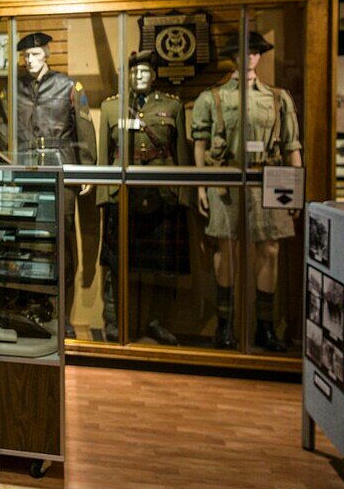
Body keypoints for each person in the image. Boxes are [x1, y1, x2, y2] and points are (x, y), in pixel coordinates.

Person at [192, 31, 301, 352]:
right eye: (243, 51)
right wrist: (202, 185)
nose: (250, 56)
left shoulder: (279, 98)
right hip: (225, 183)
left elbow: (293, 146)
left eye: (255, 51)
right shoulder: (212, 98)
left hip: (269, 181)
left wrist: (295, 189)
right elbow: (199, 146)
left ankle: (264, 329)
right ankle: (224, 326)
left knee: (270, 250)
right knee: (227, 250)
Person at [97, 51, 190, 344]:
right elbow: (104, 156)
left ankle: (157, 321)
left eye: (145, 71)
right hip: (121, 195)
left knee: (163, 269)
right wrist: (103, 196)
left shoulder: (173, 106)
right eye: (134, 71)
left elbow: (182, 155)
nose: (139, 76)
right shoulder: (111, 108)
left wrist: (183, 195)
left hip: (163, 194)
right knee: (115, 263)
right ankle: (114, 321)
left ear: (155, 75)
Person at [15, 31, 95, 336]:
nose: (30, 60)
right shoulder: (16, 88)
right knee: (26, 245)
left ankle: (64, 317)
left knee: (63, 247)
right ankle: (30, 312)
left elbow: (84, 127)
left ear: (47, 54)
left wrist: (87, 169)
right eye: (26, 56)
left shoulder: (69, 86)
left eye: (35, 54)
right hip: (24, 172)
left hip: (60, 171)